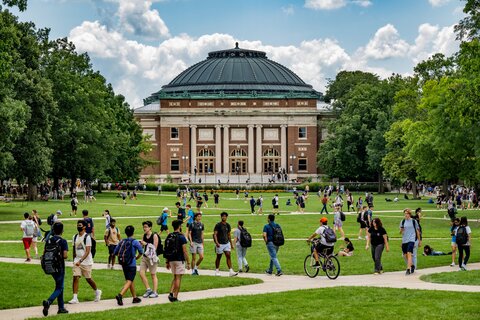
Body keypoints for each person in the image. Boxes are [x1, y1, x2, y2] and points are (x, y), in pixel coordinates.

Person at [69, 220, 102, 304]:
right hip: (77, 260)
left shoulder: (87, 237)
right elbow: (74, 249)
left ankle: (97, 291)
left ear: (84, 227)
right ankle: (75, 298)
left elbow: (87, 251)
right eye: (77, 225)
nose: (78, 226)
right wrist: (74, 260)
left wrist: (81, 260)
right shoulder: (75, 236)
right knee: (75, 277)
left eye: (79, 225)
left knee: (88, 279)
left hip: (86, 261)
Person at [42, 222, 69, 316]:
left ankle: (61, 308)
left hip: (50, 266)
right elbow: (65, 256)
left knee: (59, 286)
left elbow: (44, 253)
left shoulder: (49, 240)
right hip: (60, 266)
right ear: (62, 230)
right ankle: (48, 302)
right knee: (60, 287)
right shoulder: (63, 241)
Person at [114, 225, 144, 306]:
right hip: (131, 264)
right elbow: (141, 251)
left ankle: (134, 298)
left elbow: (115, 252)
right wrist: (136, 257)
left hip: (124, 264)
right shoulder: (135, 241)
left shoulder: (122, 241)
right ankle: (120, 295)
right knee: (130, 280)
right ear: (133, 232)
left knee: (130, 280)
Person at [165, 220, 190, 302]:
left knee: (175, 277)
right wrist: (188, 262)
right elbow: (185, 250)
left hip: (171, 259)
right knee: (178, 278)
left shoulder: (169, 235)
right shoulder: (181, 237)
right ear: (179, 226)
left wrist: (167, 261)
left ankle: (171, 293)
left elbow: (167, 249)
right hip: (179, 259)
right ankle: (175, 297)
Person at [139, 221, 160, 299]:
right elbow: (141, 247)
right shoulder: (144, 235)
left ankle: (155, 292)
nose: (144, 228)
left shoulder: (154, 235)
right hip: (145, 257)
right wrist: (140, 245)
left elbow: (154, 248)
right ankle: (148, 289)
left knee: (153, 274)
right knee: (141, 272)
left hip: (152, 258)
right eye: (144, 227)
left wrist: (146, 244)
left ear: (150, 227)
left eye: (146, 227)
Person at [213, 212, 237, 276]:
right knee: (219, 257)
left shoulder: (228, 225)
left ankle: (231, 271)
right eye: (223, 216)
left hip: (226, 243)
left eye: (225, 216)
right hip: (220, 244)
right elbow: (215, 234)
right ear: (221, 217)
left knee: (228, 255)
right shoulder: (218, 225)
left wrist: (231, 244)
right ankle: (217, 270)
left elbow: (229, 235)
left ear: (227, 217)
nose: (224, 217)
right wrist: (217, 242)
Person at [400, 208, 421, 275]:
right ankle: (412, 265)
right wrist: (401, 230)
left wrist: (419, 240)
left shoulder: (414, 221)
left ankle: (408, 269)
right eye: (405, 213)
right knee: (405, 255)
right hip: (404, 240)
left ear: (409, 214)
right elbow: (401, 232)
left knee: (409, 253)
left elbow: (417, 231)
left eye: (407, 213)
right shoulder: (402, 221)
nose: (405, 215)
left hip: (411, 240)